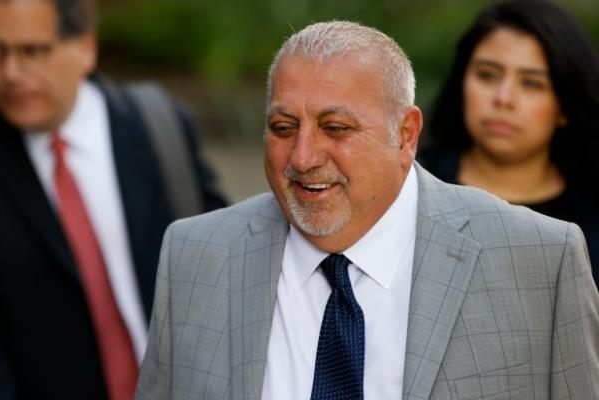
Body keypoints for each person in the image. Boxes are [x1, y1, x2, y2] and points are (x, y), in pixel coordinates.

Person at [136, 21, 599, 400]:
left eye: (335, 128)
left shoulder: (541, 259)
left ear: (406, 134)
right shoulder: (193, 254)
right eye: (282, 127)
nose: (301, 158)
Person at [0, 0, 227, 399]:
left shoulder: (159, 124)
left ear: (86, 48)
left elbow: (228, 258)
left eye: (33, 51)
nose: (11, 73)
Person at [418, 0, 599, 287]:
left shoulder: (590, 214)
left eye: (531, 83)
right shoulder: (411, 189)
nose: (503, 97)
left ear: (565, 105)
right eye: (487, 75)